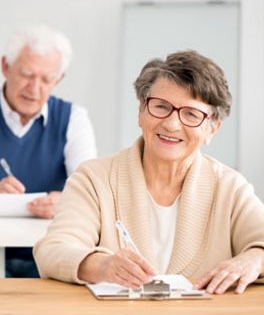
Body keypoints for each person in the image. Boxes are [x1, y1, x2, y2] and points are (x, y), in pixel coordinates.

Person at [34, 50, 264, 294]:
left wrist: (254, 259)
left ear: (212, 129)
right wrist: (103, 266)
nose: (171, 124)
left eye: (191, 114)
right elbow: (53, 250)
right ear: (141, 112)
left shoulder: (230, 186)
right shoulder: (94, 178)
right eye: (161, 106)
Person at [0, 25, 97, 278]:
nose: (34, 88)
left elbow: (91, 192)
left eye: (47, 79)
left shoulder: (74, 118)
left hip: (49, 249)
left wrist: (65, 203)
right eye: (27, 74)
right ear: (6, 67)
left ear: (58, 79)